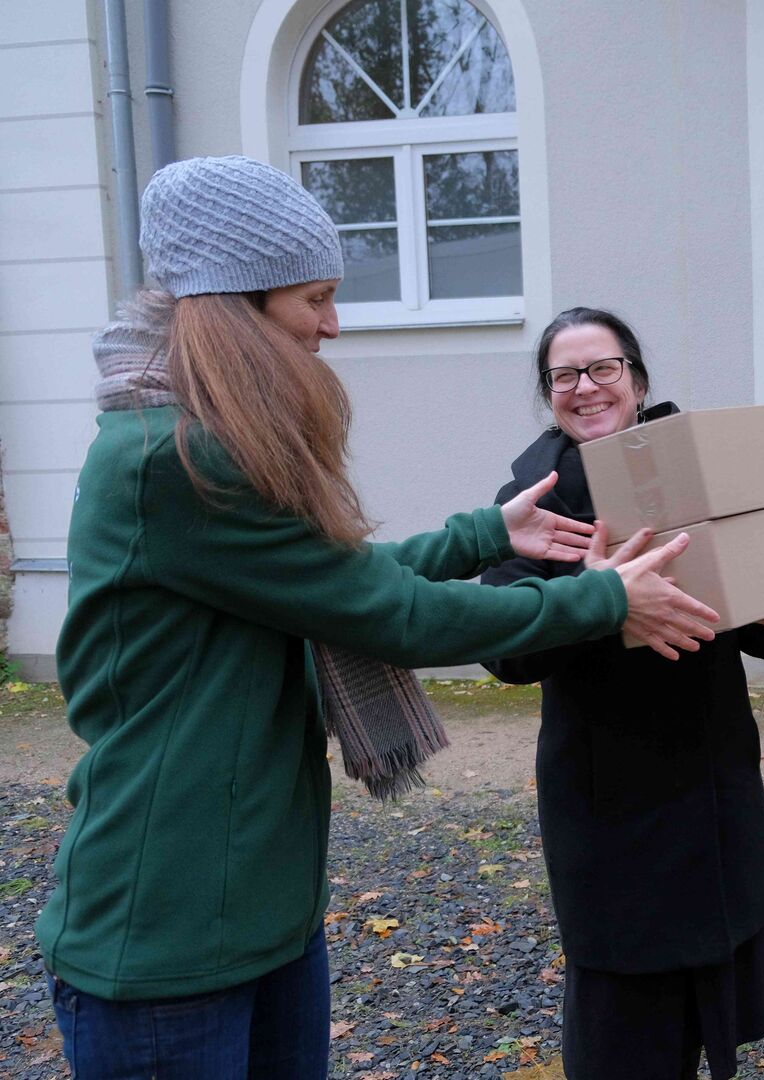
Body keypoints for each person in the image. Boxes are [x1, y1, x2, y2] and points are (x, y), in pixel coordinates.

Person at [36, 156, 717, 1080]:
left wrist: (483, 534)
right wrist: (602, 599)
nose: (332, 324)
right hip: (168, 931)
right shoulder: (175, 457)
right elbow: (388, 614)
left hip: (259, 906)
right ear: (236, 305)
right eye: (314, 299)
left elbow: (325, 582)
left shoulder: (199, 441)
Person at [479, 308, 764, 1080]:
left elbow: (761, 615)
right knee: (626, 1031)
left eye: (603, 368)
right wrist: (598, 604)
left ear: (636, 380)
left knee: (711, 999)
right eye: (564, 375)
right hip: (611, 799)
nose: (586, 387)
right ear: (548, 394)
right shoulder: (534, 499)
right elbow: (503, 649)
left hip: (712, 776)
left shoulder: (696, 465)